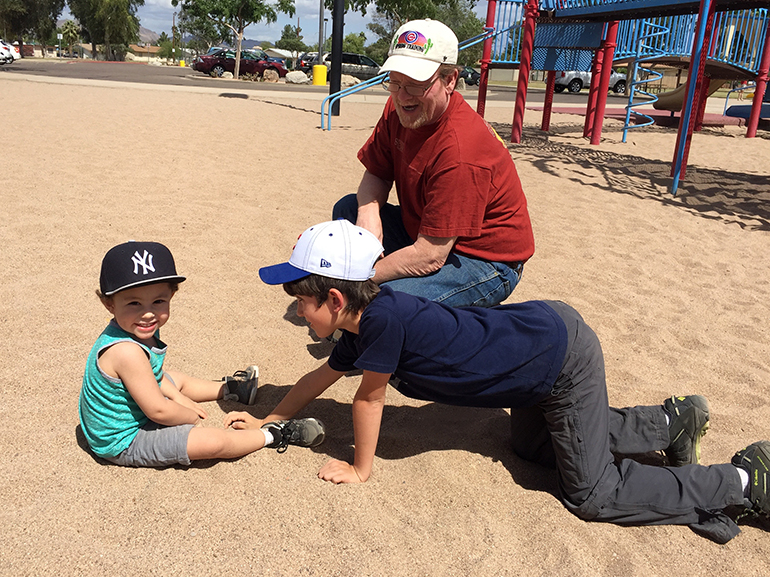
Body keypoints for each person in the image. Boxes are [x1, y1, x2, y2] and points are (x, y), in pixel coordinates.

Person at [227, 220, 768, 543]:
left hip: (558, 359)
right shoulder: (365, 322)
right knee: (532, 448)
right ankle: (670, 423)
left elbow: (368, 398)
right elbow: (319, 378)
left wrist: (360, 468)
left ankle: (743, 483)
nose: (298, 310)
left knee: (592, 493)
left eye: (301, 299)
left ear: (336, 300)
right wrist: (270, 418)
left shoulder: (384, 321)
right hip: (535, 359)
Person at [331, 19, 534, 308]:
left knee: (385, 305)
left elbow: (429, 255)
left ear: (450, 80)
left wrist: (359, 278)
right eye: (395, 81)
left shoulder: (461, 150)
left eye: (415, 85)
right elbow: (376, 173)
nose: (402, 97)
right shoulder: (397, 109)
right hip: (427, 232)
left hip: (483, 260)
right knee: (348, 210)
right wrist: (368, 215)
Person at [79, 240, 325, 468]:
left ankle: (231, 390)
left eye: (158, 302)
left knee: (176, 379)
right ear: (109, 304)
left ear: (171, 295)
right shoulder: (126, 352)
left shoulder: (133, 332)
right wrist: (187, 414)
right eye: (134, 303)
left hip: (137, 412)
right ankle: (274, 433)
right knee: (213, 442)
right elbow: (158, 412)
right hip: (124, 440)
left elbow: (155, 375)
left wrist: (176, 396)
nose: (147, 314)